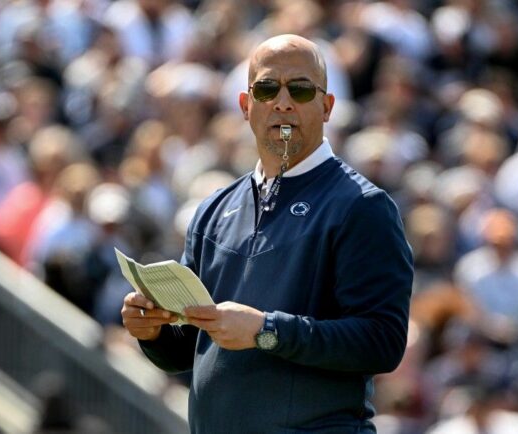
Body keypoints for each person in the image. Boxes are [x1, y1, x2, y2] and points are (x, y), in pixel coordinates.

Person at [121, 34, 413, 433]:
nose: (283, 101)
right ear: (246, 106)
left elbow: (383, 342)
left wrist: (267, 331)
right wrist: (152, 331)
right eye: (267, 88)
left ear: (327, 107)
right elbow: (191, 347)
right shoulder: (213, 210)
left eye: (301, 89)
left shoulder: (361, 206)